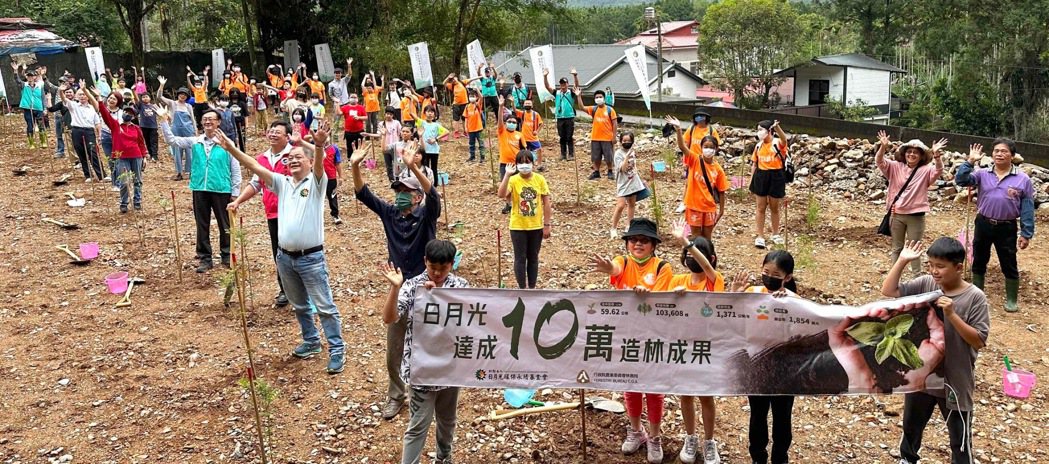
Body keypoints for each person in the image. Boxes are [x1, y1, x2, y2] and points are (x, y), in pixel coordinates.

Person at [220, 121, 345, 374]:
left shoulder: (316, 184)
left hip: (311, 258)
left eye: (299, 157)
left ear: (309, 163)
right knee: (300, 305)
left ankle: (337, 349)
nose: (294, 160)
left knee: (325, 307)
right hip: (285, 258)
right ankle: (311, 341)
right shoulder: (281, 183)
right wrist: (232, 148)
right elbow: (255, 166)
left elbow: (320, 165)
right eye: (290, 159)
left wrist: (318, 145)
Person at [352, 138, 440, 420]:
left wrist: (414, 169)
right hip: (399, 287)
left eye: (406, 191)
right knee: (395, 346)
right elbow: (363, 193)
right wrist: (355, 166)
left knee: (429, 341)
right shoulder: (390, 214)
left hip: (427, 286)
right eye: (397, 190)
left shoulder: (426, 215)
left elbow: (434, 196)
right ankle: (396, 394)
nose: (400, 194)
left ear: (417, 197)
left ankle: (428, 390)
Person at [881, 239, 989, 464]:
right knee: (912, 427)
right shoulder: (926, 284)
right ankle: (907, 459)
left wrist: (952, 315)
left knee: (959, 437)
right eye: (930, 264)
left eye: (940, 266)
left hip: (955, 379)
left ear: (959, 267)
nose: (934, 271)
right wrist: (902, 260)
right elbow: (888, 290)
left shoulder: (975, 298)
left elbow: (978, 341)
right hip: (923, 374)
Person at [590, 217, 673, 464]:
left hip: (654, 336)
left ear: (653, 245)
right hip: (626, 334)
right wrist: (608, 269)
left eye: (644, 241)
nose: (638, 244)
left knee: (654, 389)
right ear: (627, 243)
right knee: (631, 384)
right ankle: (636, 430)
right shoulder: (623, 262)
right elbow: (615, 269)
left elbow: (661, 297)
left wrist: (648, 295)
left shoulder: (662, 268)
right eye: (634, 240)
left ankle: (655, 437)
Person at [379, 239, 469, 464]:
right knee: (418, 425)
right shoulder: (412, 287)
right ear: (424, 262)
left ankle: (444, 457)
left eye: (443, 268)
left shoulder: (461, 287)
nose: (437, 273)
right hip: (421, 370)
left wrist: (440, 298)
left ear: (452, 264)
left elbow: (474, 320)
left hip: (450, 370)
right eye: (432, 267)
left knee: (448, 421)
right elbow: (389, 318)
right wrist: (395, 288)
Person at [729, 250, 798, 464]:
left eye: (775, 274)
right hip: (756, 365)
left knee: (782, 416)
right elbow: (729, 322)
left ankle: (780, 458)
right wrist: (734, 294)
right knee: (757, 414)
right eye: (765, 271)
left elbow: (804, 328)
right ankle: (758, 457)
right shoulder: (752, 293)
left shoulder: (793, 300)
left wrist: (789, 304)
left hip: (784, 370)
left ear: (787, 277)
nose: (769, 277)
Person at [159, 107, 243, 273]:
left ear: (218, 122)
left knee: (224, 224)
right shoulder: (195, 141)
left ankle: (226, 255)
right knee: (201, 224)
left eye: (211, 119)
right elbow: (172, 141)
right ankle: (205, 258)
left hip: (221, 188)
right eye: (205, 119)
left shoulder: (227, 144)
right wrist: (163, 121)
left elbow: (235, 168)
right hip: (200, 188)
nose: (207, 121)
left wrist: (235, 192)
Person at [955, 139, 1034, 312]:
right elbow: (961, 180)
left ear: (1012, 156)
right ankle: (977, 295)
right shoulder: (982, 174)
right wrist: (970, 161)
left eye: (1004, 151)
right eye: (996, 150)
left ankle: (1011, 300)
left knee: (1009, 262)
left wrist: (1026, 233)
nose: (999, 154)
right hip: (983, 223)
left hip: (1007, 227)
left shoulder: (1023, 179)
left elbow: (1027, 208)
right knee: (979, 259)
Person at [668, 220, 723, 464]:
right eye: (686, 254)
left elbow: (706, 269)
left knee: (706, 396)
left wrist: (687, 242)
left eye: (697, 255)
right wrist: (675, 298)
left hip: (706, 347)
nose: (690, 258)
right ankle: (690, 437)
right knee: (686, 395)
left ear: (711, 258)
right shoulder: (676, 281)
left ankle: (709, 441)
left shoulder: (714, 281)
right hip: (681, 347)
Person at [228, 120, 296, 307]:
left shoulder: (295, 155)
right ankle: (285, 290)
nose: (273, 134)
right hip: (273, 213)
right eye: (271, 131)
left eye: (278, 132)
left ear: (287, 136)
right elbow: (256, 183)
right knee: (279, 253)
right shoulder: (262, 158)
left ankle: (302, 290)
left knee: (297, 251)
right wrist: (238, 201)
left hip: (294, 211)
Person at [875, 132, 947, 273]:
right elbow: (879, 161)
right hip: (896, 214)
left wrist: (937, 156)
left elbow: (938, 170)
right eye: (909, 151)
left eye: (915, 152)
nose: (912, 154)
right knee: (897, 247)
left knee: (914, 248)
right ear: (904, 154)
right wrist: (883, 147)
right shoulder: (895, 167)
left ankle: (917, 278)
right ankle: (895, 277)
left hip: (916, 215)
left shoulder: (925, 170)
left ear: (921, 156)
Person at [83, 81, 147, 213]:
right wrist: (100, 99)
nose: (128, 115)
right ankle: (124, 203)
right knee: (124, 181)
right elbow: (105, 115)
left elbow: (141, 143)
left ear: (133, 116)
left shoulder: (136, 128)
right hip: (121, 157)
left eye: (131, 113)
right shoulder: (116, 126)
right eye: (126, 112)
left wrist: (144, 156)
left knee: (138, 180)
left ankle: (137, 201)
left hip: (136, 156)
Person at [668, 116, 729, 241]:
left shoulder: (718, 169)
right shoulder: (695, 160)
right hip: (694, 205)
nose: (709, 149)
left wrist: (721, 211)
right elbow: (682, 146)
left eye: (712, 147)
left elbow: (722, 190)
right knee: (695, 236)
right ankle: (694, 258)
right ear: (701, 148)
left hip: (709, 207)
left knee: (707, 238)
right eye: (706, 146)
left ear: (716, 149)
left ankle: (707, 258)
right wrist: (679, 129)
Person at [499, 150, 552, 289]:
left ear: (533, 164)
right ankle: (522, 287)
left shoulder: (539, 179)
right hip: (517, 226)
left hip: (536, 226)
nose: (524, 165)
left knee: (533, 258)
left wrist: (547, 224)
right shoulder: (513, 180)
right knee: (520, 258)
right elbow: (501, 194)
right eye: (521, 162)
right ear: (516, 165)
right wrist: (507, 174)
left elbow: (546, 203)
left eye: (527, 162)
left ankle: (532, 287)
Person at [749, 120, 790, 249]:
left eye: (761, 129)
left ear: (769, 131)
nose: (759, 132)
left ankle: (775, 233)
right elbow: (755, 164)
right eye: (758, 129)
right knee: (760, 207)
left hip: (776, 176)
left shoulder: (777, 143)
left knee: (774, 207)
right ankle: (760, 236)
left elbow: (784, 139)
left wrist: (777, 127)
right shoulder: (758, 146)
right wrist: (751, 181)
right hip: (761, 176)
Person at [674, 110, 722, 212]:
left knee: (706, 182)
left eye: (701, 116)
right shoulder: (691, 129)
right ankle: (685, 203)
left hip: (706, 160)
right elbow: (685, 145)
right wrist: (685, 161)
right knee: (689, 182)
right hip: (693, 160)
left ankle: (706, 201)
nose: (699, 118)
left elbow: (716, 145)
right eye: (697, 116)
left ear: (706, 118)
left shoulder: (711, 131)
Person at [156, 76, 196, 180]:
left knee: (189, 151)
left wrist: (195, 131)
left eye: (184, 95)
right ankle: (179, 172)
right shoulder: (172, 103)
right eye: (181, 94)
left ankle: (190, 172)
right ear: (178, 95)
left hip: (188, 130)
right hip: (175, 129)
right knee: (176, 151)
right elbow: (159, 97)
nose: (182, 96)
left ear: (187, 97)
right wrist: (161, 85)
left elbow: (192, 119)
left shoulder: (189, 106)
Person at [63, 85, 106, 182]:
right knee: (81, 153)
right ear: (77, 97)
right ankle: (88, 175)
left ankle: (101, 175)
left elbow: (97, 123)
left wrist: (99, 135)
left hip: (89, 131)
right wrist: (61, 91)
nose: (82, 96)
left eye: (84, 94)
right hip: (76, 130)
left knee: (93, 152)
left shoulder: (92, 108)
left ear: (87, 96)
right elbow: (64, 99)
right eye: (80, 95)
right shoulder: (73, 105)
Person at [611, 132, 648, 238]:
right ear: (621, 141)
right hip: (622, 182)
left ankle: (629, 225)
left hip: (633, 181)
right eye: (624, 141)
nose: (627, 143)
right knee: (620, 205)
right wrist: (626, 157)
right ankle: (614, 227)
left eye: (629, 141)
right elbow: (621, 169)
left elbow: (634, 166)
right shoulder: (618, 153)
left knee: (632, 204)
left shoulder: (632, 151)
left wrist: (640, 179)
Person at [576, 87, 618, 180]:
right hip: (595, 137)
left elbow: (615, 123)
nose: (598, 98)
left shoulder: (610, 110)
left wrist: (614, 136)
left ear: (604, 98)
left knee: (608, 156)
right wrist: (579, 96)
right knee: (596, 156)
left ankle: (610, 171)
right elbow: (581, 107)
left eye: (600, 97)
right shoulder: (593, 109)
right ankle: (596, 172)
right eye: (597, 97)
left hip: (607, 138)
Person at [496, 95, 527, 214]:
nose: (511, 123)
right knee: (507, 185)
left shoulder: (519, 134)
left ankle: (520, 203)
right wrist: (501, 106)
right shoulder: (502, 132)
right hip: (505, 164)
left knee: (519, 184)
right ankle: (508, 204)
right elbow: (499, 121)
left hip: (518, 164)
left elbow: (524, 149)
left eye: (514, 122)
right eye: (509, 121)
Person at [543, 68, 576, 161]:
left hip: (569, 117)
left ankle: (571, 154)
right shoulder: (557, 93)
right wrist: (545, 76)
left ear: (567, 84)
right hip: (560, 117)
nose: (563, 86)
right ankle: (563, 154)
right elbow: (547, 86)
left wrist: (575, 75)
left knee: (569, 136)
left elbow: (576, 86)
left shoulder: (571, 93)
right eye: (561, 84)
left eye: (564, 84)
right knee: (562, 136)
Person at [11, 64, 46, 149]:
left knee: (41, 125)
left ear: (34, 77)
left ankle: (43, 141)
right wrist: (15, 71)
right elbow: (17, 80)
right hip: (28, 108)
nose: (30, 78)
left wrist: (44, 108)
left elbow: (43, 97)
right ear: (27, 77)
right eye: (29, 76)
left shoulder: (40, 86)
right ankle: (31, 143)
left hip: (38, 108)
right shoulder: (24, 85)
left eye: (32, 76)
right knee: (30, 125)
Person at [417, 105, 449, 182]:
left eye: (432, 112)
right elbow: (411, 114)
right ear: (424, 113)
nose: (430, 114)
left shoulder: (436, 125)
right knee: (425, 167)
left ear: (434, 114)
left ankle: (435, 184)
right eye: (428, 112)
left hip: (434, 150)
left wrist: (436, 139)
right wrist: (411, 98)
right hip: (424, 150)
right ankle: (426, 183)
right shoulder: (422, 123)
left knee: (434, 167)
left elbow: (447, 132)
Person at [516, 99, 544, 171]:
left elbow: (541, 124)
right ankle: (523, 164)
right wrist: (512, 102)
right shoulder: (522, 113)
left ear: (532, 105)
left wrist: (537, 131)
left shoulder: (536, 114)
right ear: (523, 105)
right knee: (523, 151)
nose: (527, 105)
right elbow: (514, 110)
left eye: (529, 103)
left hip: (533, 137)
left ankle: (539, 164)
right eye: (526, 103)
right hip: (523, 137)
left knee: (539, 149)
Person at [44, 86, 71, 160]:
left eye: (70, 92)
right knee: (59, 136)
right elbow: (51, 109)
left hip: (76, 124)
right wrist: (49, 99)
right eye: (67, 92)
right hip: (61, 119)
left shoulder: (77, 102)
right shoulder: (62, 103)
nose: (68, 94)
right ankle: (60, 151)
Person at [443, 73, 474, 138]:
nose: (453, 80)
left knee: (464, 118)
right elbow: (444, 83)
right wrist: (448, 77)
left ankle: (466, 132)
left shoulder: (462, 82)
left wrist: (480, 76)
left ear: (456, 78)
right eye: (452, 80)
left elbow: (471, 79)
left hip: (465, 103)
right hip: (456, 104)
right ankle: (456, 132)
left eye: (454, 78)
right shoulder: (452, 85)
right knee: (456, 119)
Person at [133, 90, 160, 161]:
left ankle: (155, 155)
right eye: (143, 97)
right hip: (144, 126)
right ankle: (150, 154)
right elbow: (136, 100)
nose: (145, 98)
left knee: (153, 141)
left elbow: (160, 113)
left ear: (150, 98)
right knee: (147, 140)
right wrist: (134, 91)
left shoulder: (154, 106)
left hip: (153, 126)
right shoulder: (141, 105)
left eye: (146, 97)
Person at [339, 93, 367, 159]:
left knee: (359, 146)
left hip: (359, 131)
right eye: (352, 97)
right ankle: (350, 160)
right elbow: (338, 113)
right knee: (349, 146)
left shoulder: (361, 107)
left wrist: (359, 117)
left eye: (355, 97)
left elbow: (366, 117)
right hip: (348, 131)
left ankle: (358, 159)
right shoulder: (345, 107)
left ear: (357, 99)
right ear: (349, 99)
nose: (353, 99)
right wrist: (337, 103)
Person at [380, 108, 405, 181]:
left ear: (393, 115)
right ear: (385, 114)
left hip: (396, 147)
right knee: (388, 164)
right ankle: (391, 179)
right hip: (386, 146)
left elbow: (401, 132)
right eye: (387, 114)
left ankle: (398, 177)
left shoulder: (396, 123)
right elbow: (379, 134)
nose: (388, 116)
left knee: (397, 163)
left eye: (390, 114)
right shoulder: (382, 124)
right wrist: (368, 134)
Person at [322, 141, 344, 224]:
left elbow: (337, 163)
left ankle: (335, 214)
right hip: (318, 177)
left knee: (332, 195)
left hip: (331, 176)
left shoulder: (334, 148)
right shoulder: (315, 147)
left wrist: (341, 177)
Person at [463, 89, 485, 162]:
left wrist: (477, 90)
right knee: (471, 144)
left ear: (476, 98)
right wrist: (466, 127)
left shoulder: (477, 104)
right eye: (470, 96)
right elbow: (466, 118)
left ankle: (482, 157)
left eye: (473, 96)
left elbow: (481, 97)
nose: (471, 97)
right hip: (470, 129)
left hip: (479, 128)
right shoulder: (467, 107)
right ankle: (472, 156)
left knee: (481, 143)